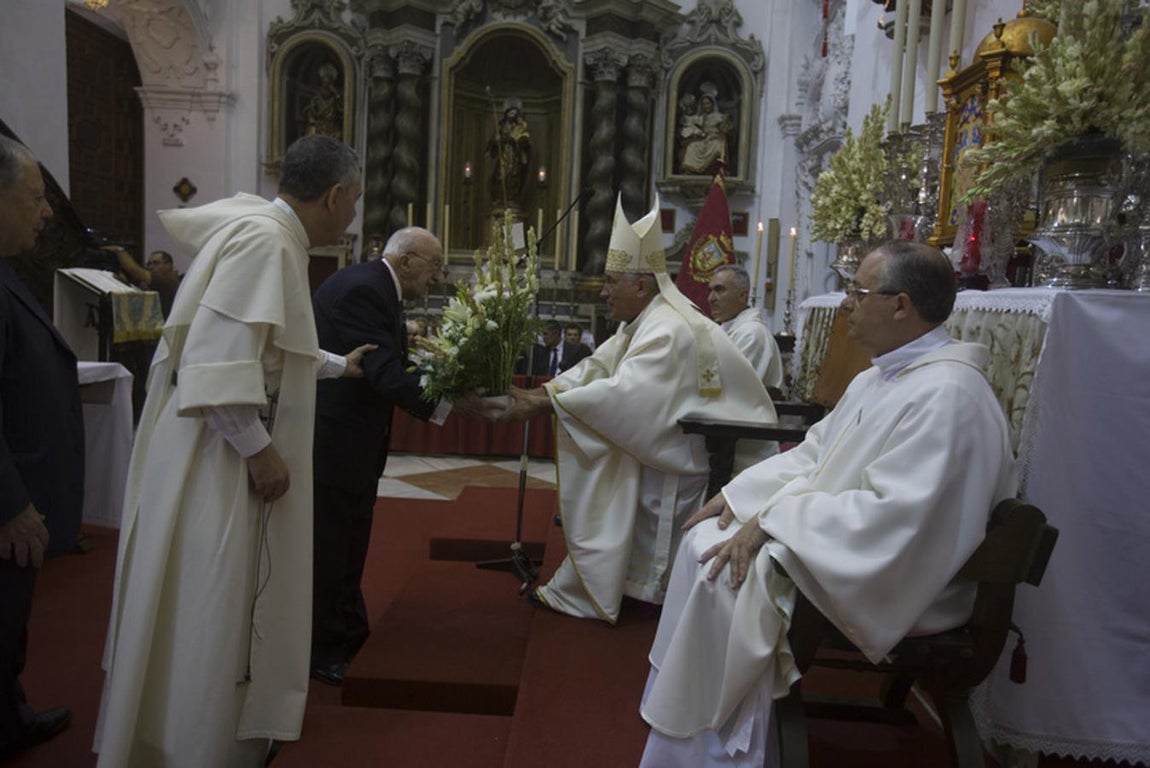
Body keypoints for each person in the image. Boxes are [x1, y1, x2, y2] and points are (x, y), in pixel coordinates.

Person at [639, 241, 1017, 767]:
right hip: (848, 547)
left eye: (858, 293)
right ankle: (688, 739)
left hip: (909, 583)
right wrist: (739, 495)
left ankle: (720, 752)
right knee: (705, 537)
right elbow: (813, 456)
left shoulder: (948, 396)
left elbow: (895, 519)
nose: (845, 304)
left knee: (721, 570)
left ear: (902, 306)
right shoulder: (880, 376)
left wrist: (770, 523)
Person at [94, 135, 373, 767]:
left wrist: (336, 365)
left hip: (216, 447)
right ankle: (202, 745)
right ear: (332, 196)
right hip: (220, 461)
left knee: (214, 598)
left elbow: (270, 347)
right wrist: (259, 450)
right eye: (352, 200)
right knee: (214, 600)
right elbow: (217, 364)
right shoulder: (266, 242)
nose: (353, 214)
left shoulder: (265, 232)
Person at [498, 194, 778, 623]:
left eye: (612, 282)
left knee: (616, 464)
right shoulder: (648, 319)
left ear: (641, 286)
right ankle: (609, 580)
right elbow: (600, 365)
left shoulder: (666, 327)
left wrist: (546, 403)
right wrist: (546, 392)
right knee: (613, 458)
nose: (604, 292)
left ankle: (636, 589)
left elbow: (627, 394)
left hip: (706, 451)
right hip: (680, 439)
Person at [310, 226, 450, 686]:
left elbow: (389, 362)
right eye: (433, 266)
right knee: (332, 550)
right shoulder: (365, 290)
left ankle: (347, 631)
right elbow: (384, 373)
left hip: (354, 441)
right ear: (407, 260)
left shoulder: (373, 286)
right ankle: (324, 649)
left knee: (350, 543)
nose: (437, 276)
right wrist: (452, 405)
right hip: (335, 443)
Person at [0, 136, 80, 759]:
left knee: (9, 624)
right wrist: (10, 503)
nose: (47, 212)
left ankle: (9, 715)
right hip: (8, 502)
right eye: (35, 198)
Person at [707, 264, 784, 395]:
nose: (711, 298)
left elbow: (734, 387)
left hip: (741, 413)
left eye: (719, 290)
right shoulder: (723, 329)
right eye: (711, 290)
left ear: (742, 296)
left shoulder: (752, 333)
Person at [103, 246, 183, 317]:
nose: (151, 267)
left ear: (168, 265)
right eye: (149, 264)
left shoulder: (169, 281)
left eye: (156, 263)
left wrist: (119, 250)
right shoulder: (152, 284)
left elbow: (134, 270)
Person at [488, 100, 531, 211]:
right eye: (510, 112)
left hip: (514, 157)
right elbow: (493, 142)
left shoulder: (520, 126)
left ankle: (512, 200)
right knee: (500, 176)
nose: (512, 114)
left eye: (514, 112)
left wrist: (517, 141)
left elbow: (525, 141)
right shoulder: (501, 126)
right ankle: (499, 200)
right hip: (503, 155)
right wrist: (496, 140)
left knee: (514, 177)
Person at [680, 87, 733, 175]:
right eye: (704, 104)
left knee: (717, 145)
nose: (706, 106)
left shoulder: (719, 117)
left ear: (712, 104)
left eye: (708, 104)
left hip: (715, 138)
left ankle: (717, 169)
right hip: (703, 139)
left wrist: (721, 130)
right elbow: (686, 121)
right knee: (692, 146)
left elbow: (726, 130)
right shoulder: (700, 117)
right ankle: (690, 170)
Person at [302, 62, 343, 139]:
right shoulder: (316, 98)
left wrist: (337, 95)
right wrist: (311, 118)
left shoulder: (335, 98)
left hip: (332, 126)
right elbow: (310, 109)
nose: (326, 85)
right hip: (318, 125)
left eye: (328, 82)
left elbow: (342, 110)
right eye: (324, 81)